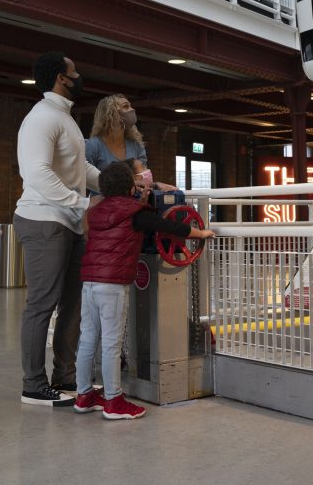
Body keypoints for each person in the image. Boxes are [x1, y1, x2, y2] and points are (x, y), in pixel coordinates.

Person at [72, 161, 215, 419]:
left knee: (88, 339)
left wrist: (139, 200)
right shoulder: (136, 213)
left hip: (89, 282)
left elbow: (112, 221)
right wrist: (201, 233)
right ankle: (114, 400)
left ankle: (84, 395)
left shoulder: (96, 211)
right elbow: (170, 227)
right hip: (113, 285)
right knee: (112, 344)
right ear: (130, 186)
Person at [14, 52, 100, 407]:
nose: (79, 76)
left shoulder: (64, 118)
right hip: (43, 220)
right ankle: (33, 385)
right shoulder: (42, 117)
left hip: (69, 221)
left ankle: (65, 376)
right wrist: (81, 203)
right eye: (74, 71)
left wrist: (116, 184)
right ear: (61, 78)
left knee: (72, 304)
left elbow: (80, 169)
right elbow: (36, 173)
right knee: (42, 304)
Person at [85, 94, 176, 191]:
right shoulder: (93, 145)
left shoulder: (136, 145)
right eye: (126, 106)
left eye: (130, 106)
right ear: (111, 113)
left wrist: (156, 186)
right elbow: (85, 178)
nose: (132, 110)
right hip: (102, 199)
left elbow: (142, 180)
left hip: (133, 199)